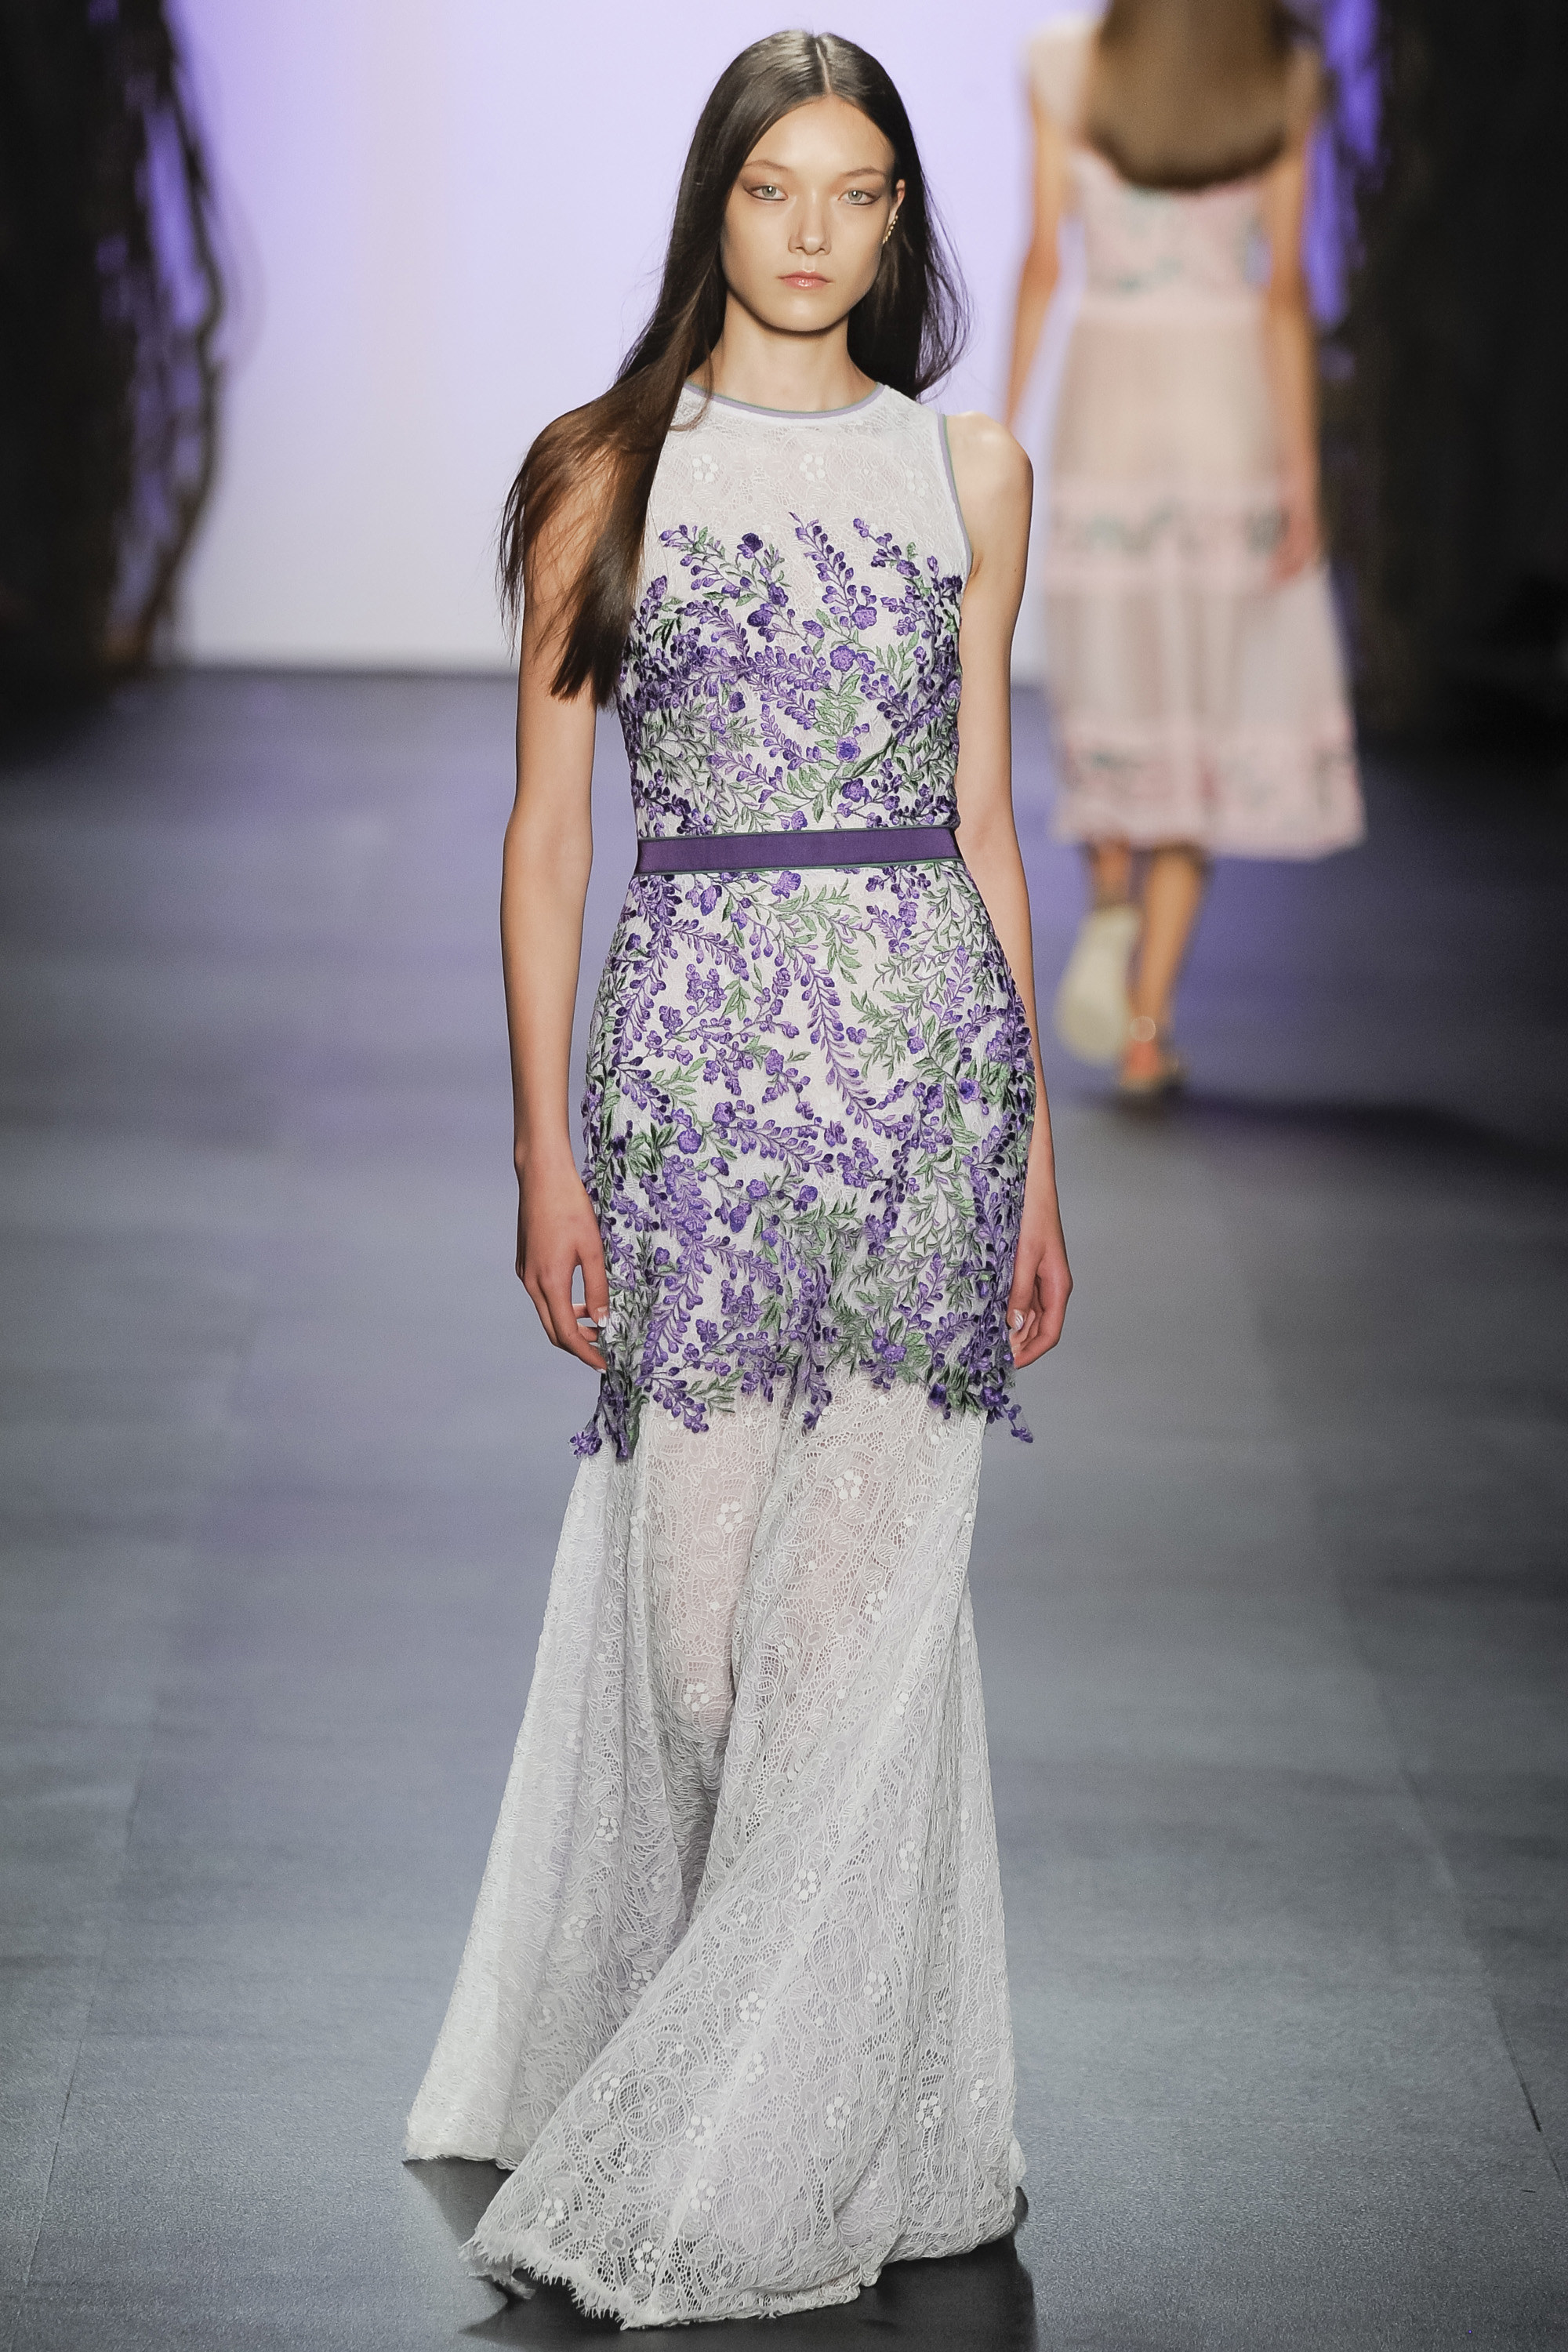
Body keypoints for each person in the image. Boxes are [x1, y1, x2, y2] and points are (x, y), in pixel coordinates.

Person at [404, 31, 1072, 2328]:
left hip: (923, 1091)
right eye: (774, 186)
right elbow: (546, 842)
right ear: (714, 204)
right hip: (690, 1089)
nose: (812, 231)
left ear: (899, 220)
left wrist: (1038, 1162)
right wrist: (541, 1150)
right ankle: (773, 2077)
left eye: (855, 190)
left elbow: (986, 826)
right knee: (696, 1657)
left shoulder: (971, 471)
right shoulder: (606, 472)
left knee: (846, 1658)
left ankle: (763, 2153)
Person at [1006, 0, 1364, 1098]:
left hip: (1110, 400)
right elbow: (1285, 289)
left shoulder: (1064, 66)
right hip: (1224, 405)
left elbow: (1044, 261)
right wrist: (1302, 475)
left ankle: (1111, 900)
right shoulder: (1282, 76)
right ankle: (1147, 1026)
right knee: (1197, 705)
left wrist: (998, 432)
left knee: (1113, 678)